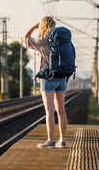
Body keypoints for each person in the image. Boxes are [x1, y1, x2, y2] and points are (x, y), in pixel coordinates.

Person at [23, 16, 67, 148]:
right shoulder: (62, 40)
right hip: (62, 77)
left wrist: (34, 27)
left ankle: (51, 141)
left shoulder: (42, 40)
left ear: (43, 26)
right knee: (61, 110)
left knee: (49, 110)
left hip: (48, 78)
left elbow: (25, 40)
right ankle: (62, 141)